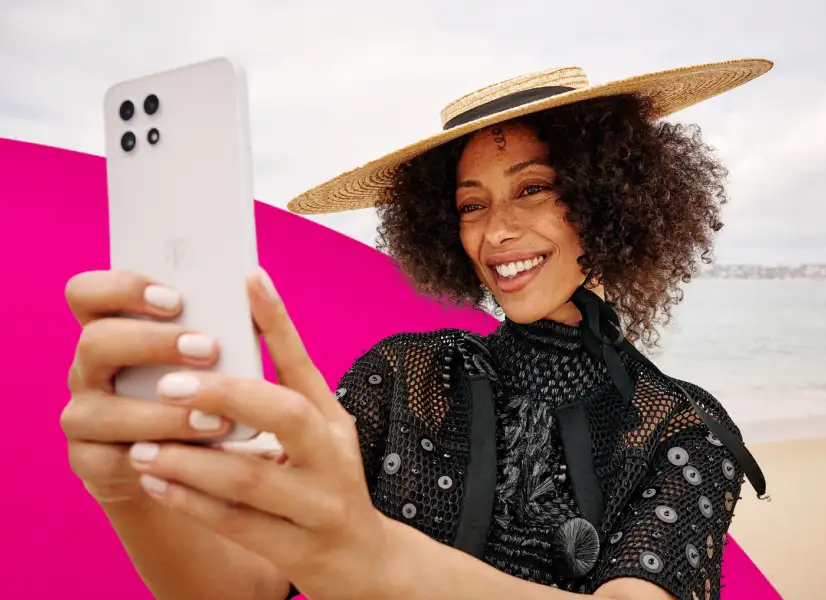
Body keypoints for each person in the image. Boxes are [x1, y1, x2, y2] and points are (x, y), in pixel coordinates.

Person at [60, 59, 772, 600]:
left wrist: (367, 555)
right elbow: (251, 586)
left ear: (608, 197)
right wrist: (132, 495)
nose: (497, 230)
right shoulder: (399, 376)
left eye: (532, 188)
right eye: (471, 205)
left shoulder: (683, 428)